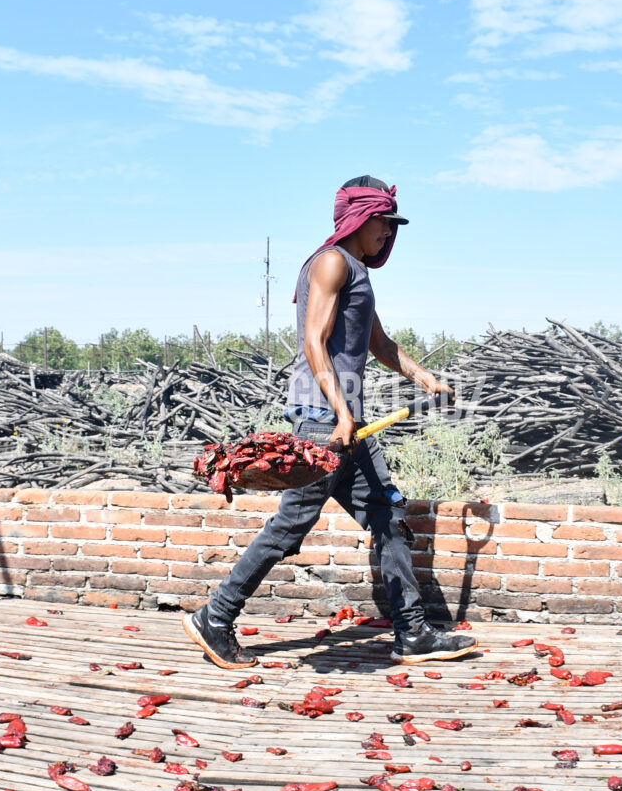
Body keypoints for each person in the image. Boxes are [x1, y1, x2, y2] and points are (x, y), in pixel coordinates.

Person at [184, 176, 478, 669]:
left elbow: (379, 345)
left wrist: (425, 377)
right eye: (383, 221)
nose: (389, 231)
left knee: (388, 518)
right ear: (360, 218)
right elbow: (313, 342)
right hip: (324, 421)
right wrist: (342, 413)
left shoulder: (356, 270)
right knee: (290, 526)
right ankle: (215, 617)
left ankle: (412, 634)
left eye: (393, 223)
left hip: (346, 423)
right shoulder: (331, 262)